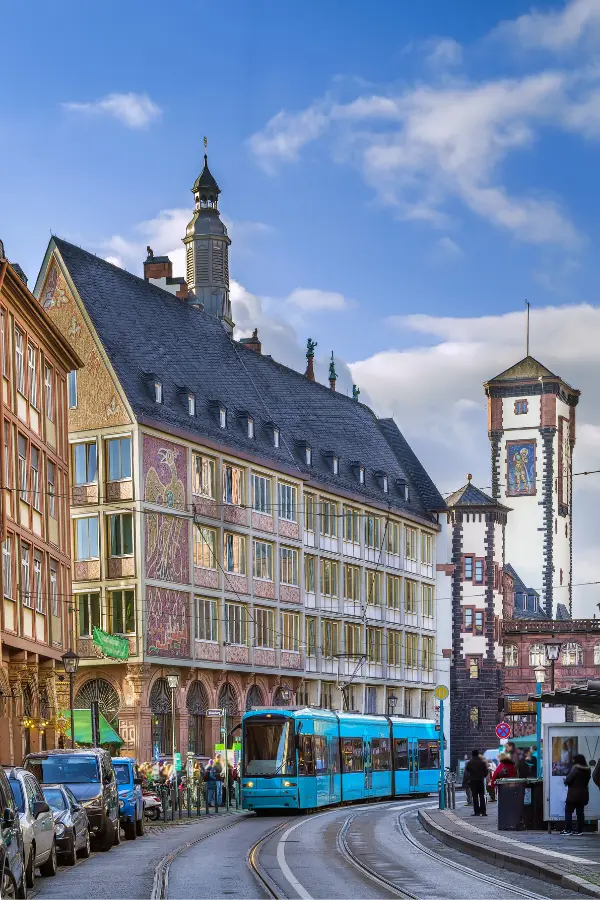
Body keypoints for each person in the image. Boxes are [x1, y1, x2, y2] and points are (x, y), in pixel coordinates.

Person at [562, 753, 591, 835]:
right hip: (584, 794)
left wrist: (565, 780)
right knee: (580, 812)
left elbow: (568, 780)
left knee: (568, 811)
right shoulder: (588, 769)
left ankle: (568, 830)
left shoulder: (575, 768)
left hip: (573, 794)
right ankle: (579, 830)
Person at [465, 749, 488, 817]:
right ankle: (483, 811)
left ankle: (477, 812)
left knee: (475, 796)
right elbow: (486, 771)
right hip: (480, 780)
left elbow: (467, 769)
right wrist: (483, 776)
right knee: (481, 796)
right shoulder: (482, 762)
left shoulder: (470, 762)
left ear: (472, 754)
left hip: (473, 781)